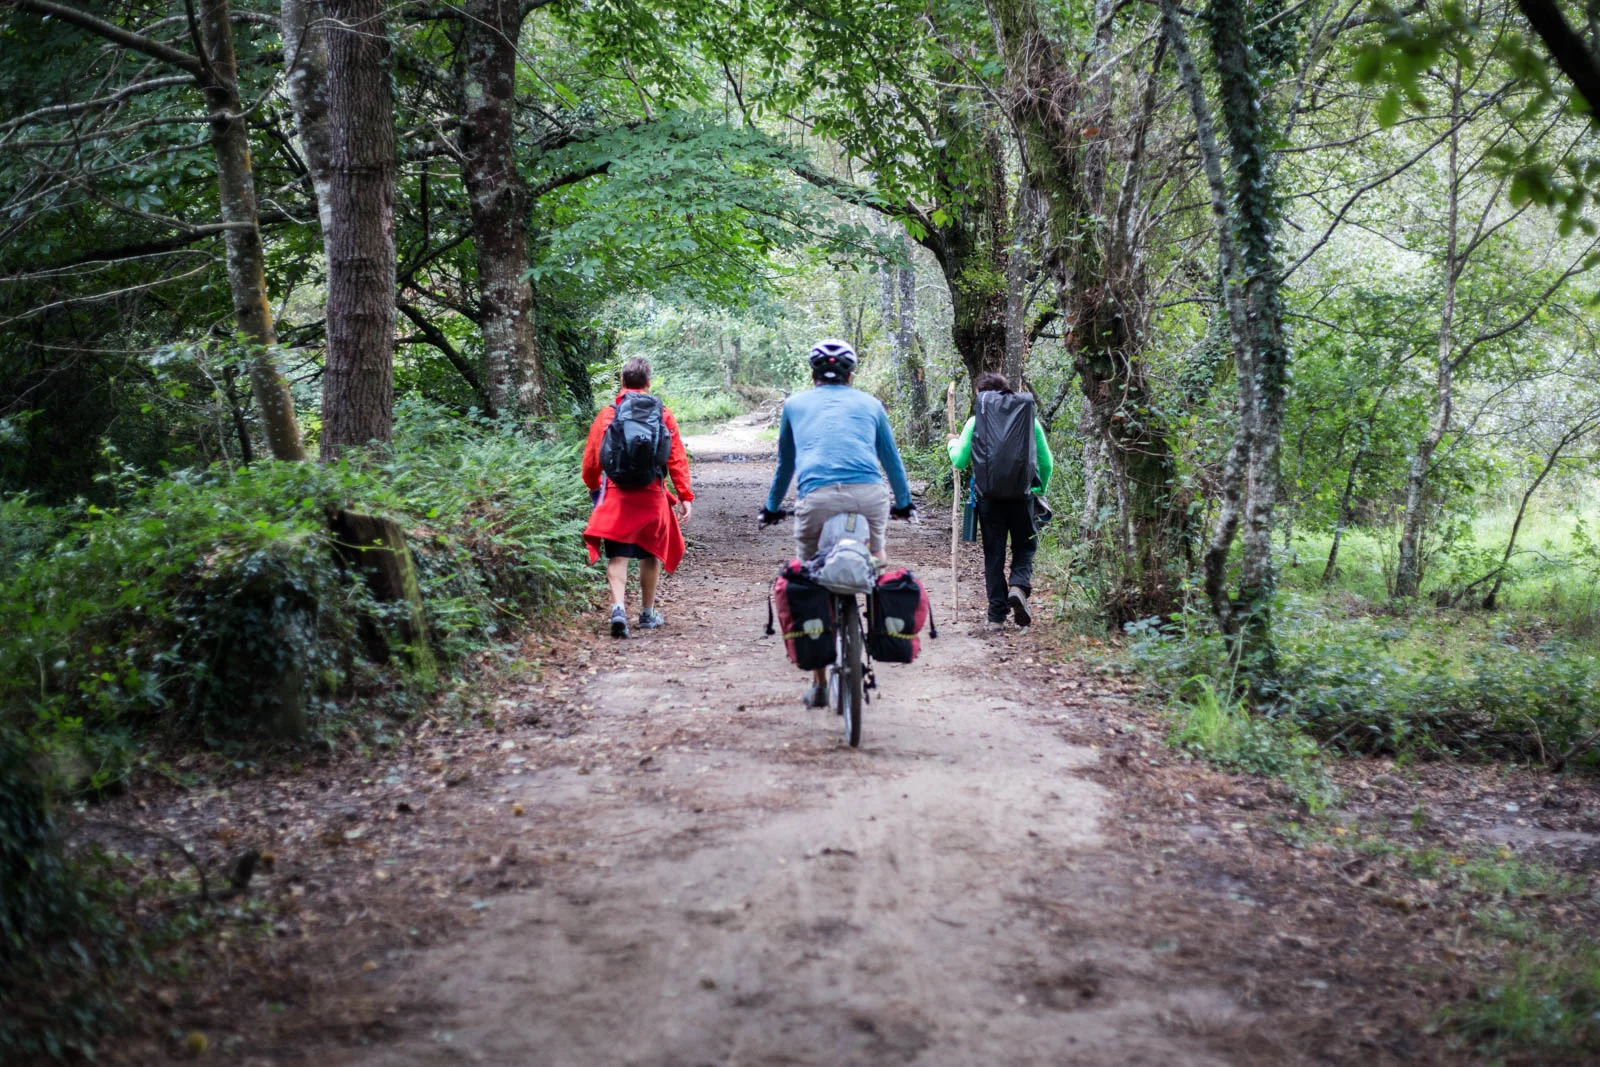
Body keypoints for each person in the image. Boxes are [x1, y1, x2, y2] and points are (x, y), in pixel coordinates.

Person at [760, 339, 915, 706]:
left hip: (817, 499)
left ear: (812, 373)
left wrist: (770, 507)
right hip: (869, 496)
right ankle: (878, 625)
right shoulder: (871, 405)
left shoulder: (795, 405)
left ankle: (817, 684)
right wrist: (904, 504)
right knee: (876, 557)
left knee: (810, 574)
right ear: (851, 374)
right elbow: (891, 460)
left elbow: (786, 464)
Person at [582, 358, 693, 638]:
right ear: (648, 382)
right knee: (651, 554)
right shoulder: (662, 414)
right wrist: (684, 495)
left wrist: (594, 486)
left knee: (618, 556)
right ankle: (647, 613)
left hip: (618, 495)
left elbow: (593, 458)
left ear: (622, 382)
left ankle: (618, 608)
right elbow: (676, 457)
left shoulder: (608, 414)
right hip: (652, 495)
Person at [948, 371, 1053, 630]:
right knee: (1025, 547)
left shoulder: (976, 421)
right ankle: (1018, 586)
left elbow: (960, 460)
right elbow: (1046, 462)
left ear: (981, 395)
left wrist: (951, 443)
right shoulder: (1029, 420)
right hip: (1022, 496)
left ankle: (996, 616)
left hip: (989, 498)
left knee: (993, 554)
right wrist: (1039, 488)